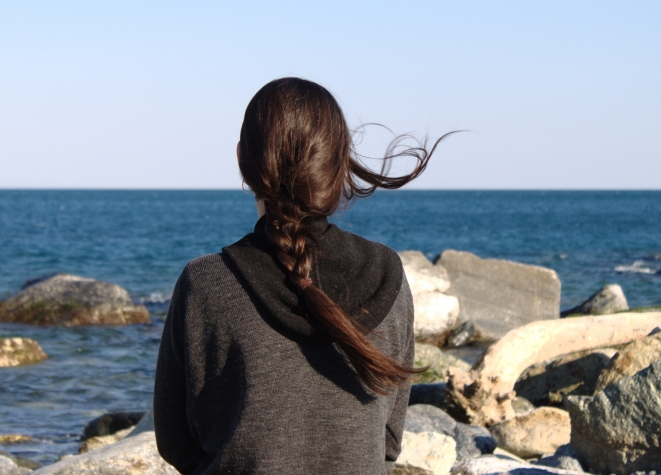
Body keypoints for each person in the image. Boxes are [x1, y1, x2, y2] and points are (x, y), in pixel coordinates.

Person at [154, 78, 447, 475]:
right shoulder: (387, 276)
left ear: (242, 160)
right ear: (338, 165)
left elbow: (175, 442)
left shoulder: (206, 283)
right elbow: (389, 441)